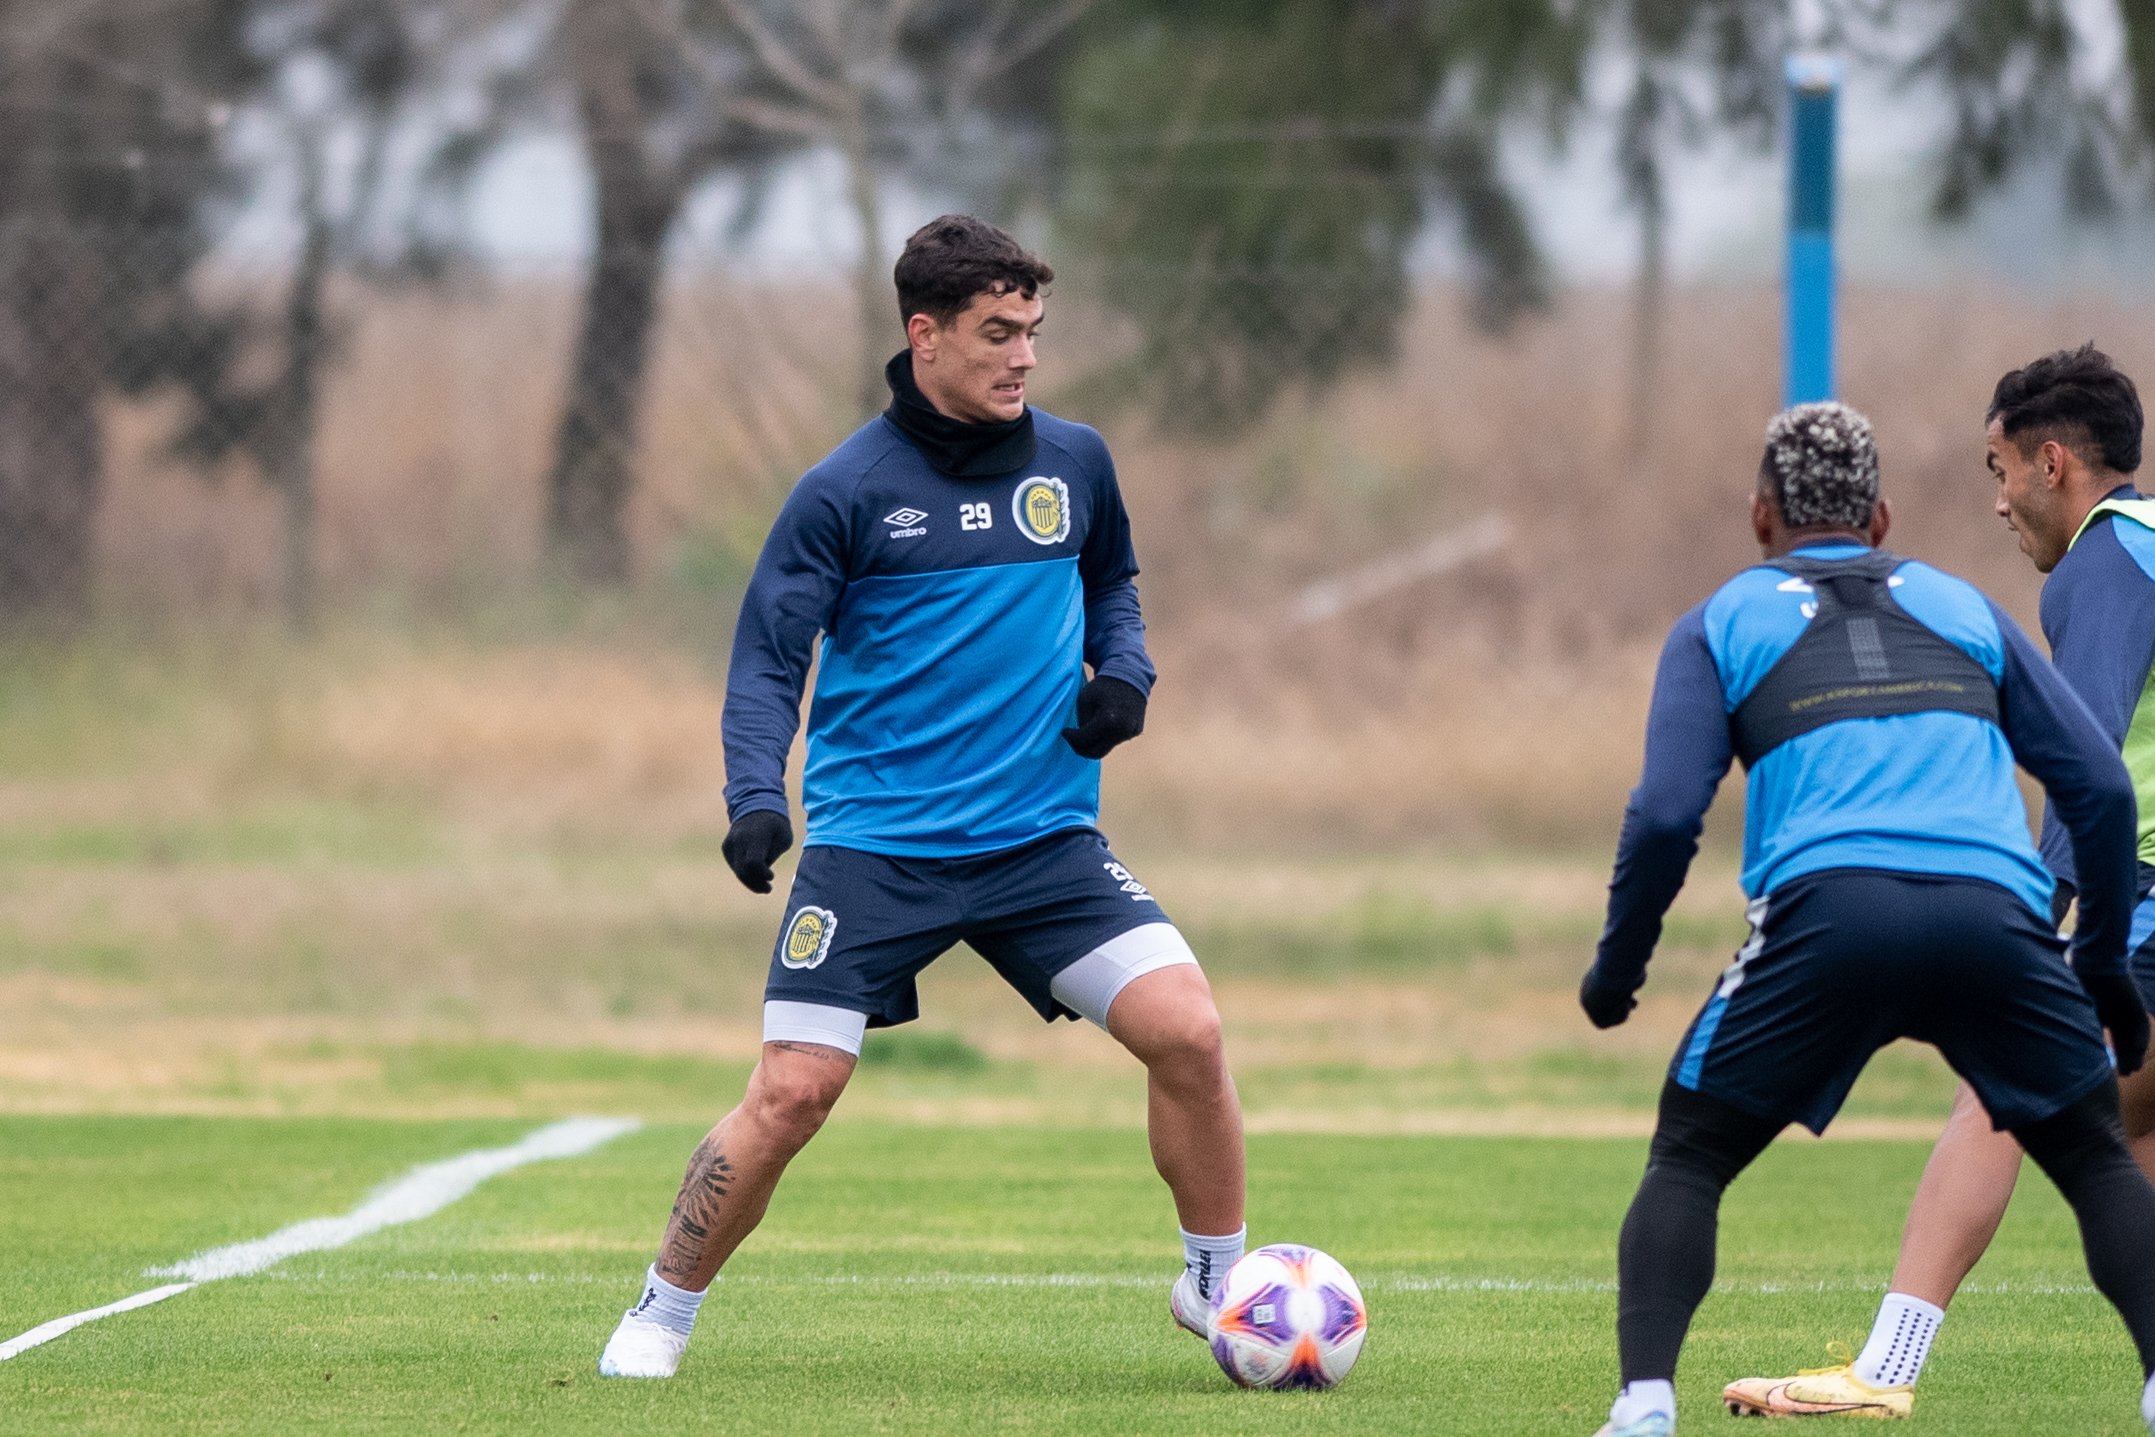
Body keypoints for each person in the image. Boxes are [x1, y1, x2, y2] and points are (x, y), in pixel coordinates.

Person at [597, 215, 1247, 1379]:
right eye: (997, 333)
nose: (1023, 357)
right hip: (876, 852)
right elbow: (765, 662)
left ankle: (1214, 1288)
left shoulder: (1075, 462)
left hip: (1043, 843)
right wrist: (756, 796)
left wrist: (1126, 678)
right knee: (794, 1091)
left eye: (1034, 332)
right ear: (925, 335)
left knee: (1188, 1031)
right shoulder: (843, 492)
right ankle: (660, 1311)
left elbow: (1114, 586)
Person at [1577, 399, 2155, 1437]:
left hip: (1827, 917)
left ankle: (1644, 1407)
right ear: (1884, 518)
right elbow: (2102, 791)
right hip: (1994, 917)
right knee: (2096, 1157)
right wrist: (2102, 961)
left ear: (1759, 517)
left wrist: (1618, 972)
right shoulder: (1963, 605)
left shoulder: (1721, 619)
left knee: (1691, 1156)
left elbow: (1665, 815)